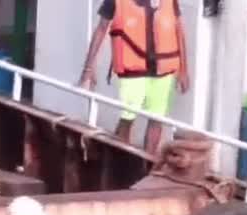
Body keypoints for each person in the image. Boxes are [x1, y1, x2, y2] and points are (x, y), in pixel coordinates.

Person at [79, 0, 191, 155]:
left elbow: (179, 31)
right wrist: (88, 68)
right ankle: (119, 160)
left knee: (157, 119)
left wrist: (184, 71)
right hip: (133, 70)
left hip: (163, 69)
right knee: (127, 116)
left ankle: (146, 165)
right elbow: (101, 29)